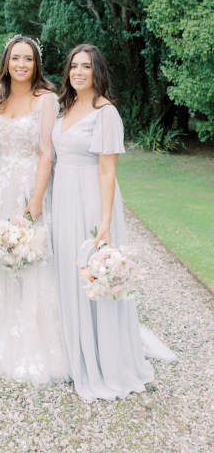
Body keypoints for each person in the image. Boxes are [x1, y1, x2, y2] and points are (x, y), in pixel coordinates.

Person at [52, 43, 155, 401]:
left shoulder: (104, 112)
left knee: (92, 273)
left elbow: (107, 169)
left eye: (86, 66)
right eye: (74, 66)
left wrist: (106, 221)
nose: (79, 72)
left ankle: (103, 358)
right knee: (67, 271)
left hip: (91, 199)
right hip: (62, 196)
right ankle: (74, 347)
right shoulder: (64, 107)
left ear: (98, 72)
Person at [0, 35, 69, 385]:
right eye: (16, 58)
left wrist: (37, 198)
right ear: (7, 61)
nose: (22, 65)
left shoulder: (47, 99)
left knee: (32, 254)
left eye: (28, 59)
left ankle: (36, 338)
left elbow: (46, 151)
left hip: (29, 184)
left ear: (36, 63)